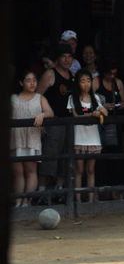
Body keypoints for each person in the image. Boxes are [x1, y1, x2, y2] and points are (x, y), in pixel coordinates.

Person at [37, 42, 76, 196]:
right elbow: (37, 97)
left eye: (69, 57)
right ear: (58, 59)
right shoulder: (50, 74)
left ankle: (59, 191)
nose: (67, 60)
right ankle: (40, 193)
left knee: (66, 158)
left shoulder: (73, 76)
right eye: (63, 57)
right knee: (49, 157)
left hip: (70, 122)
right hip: (53, 122)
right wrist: (40, 121)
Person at [11, 71, 53, 206]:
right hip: (16, 139)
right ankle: (18, 201)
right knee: (18, 173)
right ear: (21, 82)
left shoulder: (39, 98)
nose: (32, 83)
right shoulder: (13, 98)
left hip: (32, 138)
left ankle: (27, 201)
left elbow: (50, 112)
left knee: (31, 171)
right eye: (28, 80)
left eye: (34, 80)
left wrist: (42, 115)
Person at [67, 69, 109, 202]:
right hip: (79, 137)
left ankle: (91, 200)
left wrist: (101, 111)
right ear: (77, 83)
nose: (86, 84)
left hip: (93, 138)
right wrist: (92, 114)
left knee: (91, 170)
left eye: (88, 81)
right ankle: (78, 200)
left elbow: (105, 113)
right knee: (79, 170)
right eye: (83, 81)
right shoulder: (72, 98)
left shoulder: (95, 98)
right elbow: (75, 116)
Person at [96, 62, 124, 195]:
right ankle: (101, 187)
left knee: (115, 154)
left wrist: (118, 105)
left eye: (114, 73)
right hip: (100, 123)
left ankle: (115, 187)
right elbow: (89, 100)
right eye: (110, 73)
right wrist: (103, 106)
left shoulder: (118, 83)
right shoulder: (96, 82)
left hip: (115, 123)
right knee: (101, 154)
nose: (112, 76)